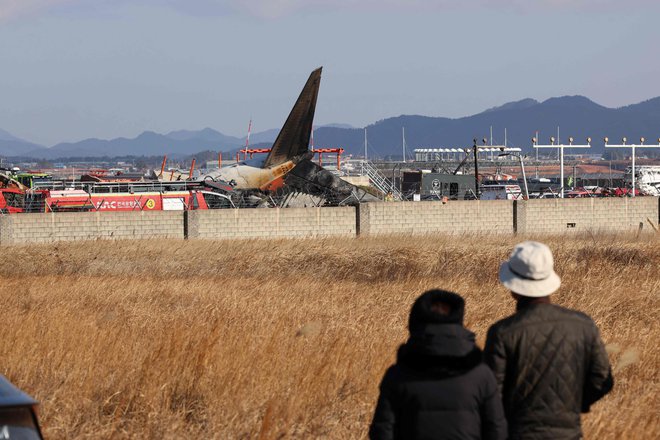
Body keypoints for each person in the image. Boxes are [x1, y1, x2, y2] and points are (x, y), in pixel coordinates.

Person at [484, 241, 613, 440]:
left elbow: (491, 393)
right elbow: (602, 379)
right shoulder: (583, 325)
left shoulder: (502, 332)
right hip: (569, 433)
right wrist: (572, 405)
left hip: (519, 433)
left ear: (514, 288)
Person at [369, 289, 507, 440]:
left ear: (415, 324)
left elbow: (382, 431)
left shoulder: (397, 375)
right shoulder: (482, 375)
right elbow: (496, 431)